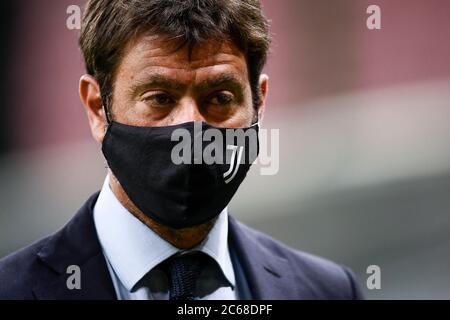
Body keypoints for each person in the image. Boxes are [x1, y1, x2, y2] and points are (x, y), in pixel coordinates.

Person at [0, 0, 363, 300]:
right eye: (159, 98)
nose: (191, 129)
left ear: (259, 104)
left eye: (219, 98)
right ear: (98, 108)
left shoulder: (328, 291)